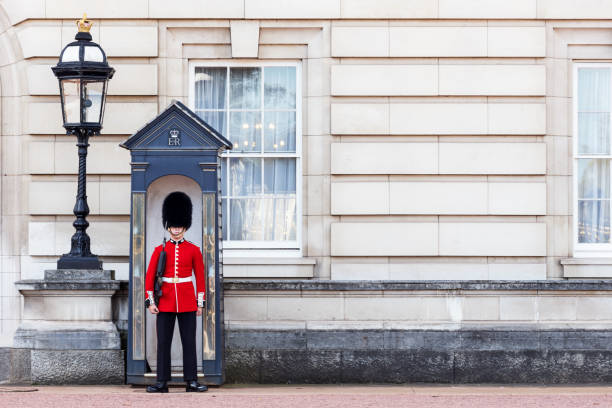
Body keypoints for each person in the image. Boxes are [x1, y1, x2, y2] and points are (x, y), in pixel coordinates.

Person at [144, 191, 208, 393]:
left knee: (189, 342)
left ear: (185, 226)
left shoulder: (194, 250)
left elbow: (200, 277)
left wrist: (200, 303)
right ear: (168, 225)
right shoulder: (158, 250)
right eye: (173, 225)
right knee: (163, 343)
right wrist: (151, 301)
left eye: (179, 226)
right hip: (165, 301)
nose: (176, 229)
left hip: (188, 301)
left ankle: (191, 381)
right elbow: (149, 277)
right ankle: (162, 382)